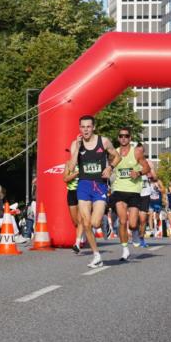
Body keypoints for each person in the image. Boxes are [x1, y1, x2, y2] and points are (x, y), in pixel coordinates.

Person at [65, 114, 120, 268]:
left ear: (93, 127)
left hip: (99, 185)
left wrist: (110, 168)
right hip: (83, 185)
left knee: (95, 223)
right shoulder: (76, 144)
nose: (86, 130)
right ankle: (96, 255)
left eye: (88, 127)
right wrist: (77, 148)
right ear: (79, 128)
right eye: (83, 127)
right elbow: (71, 167)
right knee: (86, 222)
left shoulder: (104, 141)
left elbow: (117, 156)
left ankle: (103, 223)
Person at [109, 127, 152, 261]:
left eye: (126, 136)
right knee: (122, 221)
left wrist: (138, 173)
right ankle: (125, 250)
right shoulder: (114, 153)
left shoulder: (137, 152)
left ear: (130, 138)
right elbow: (110, 169)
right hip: (119, 189)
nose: (123, 138)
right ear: (118, 138)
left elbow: (147, 168)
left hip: (134, 191)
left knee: (133, 224)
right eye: (121, 136)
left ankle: (135, 232)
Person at [62, 147, 84, 254]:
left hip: (82, 192)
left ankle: (77, 243)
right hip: (71, 193)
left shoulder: (84, 163)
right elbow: (65, 179)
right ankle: (82, 234)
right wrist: (76, 173)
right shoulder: (68, 164)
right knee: (75, 222)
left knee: (81, 219)